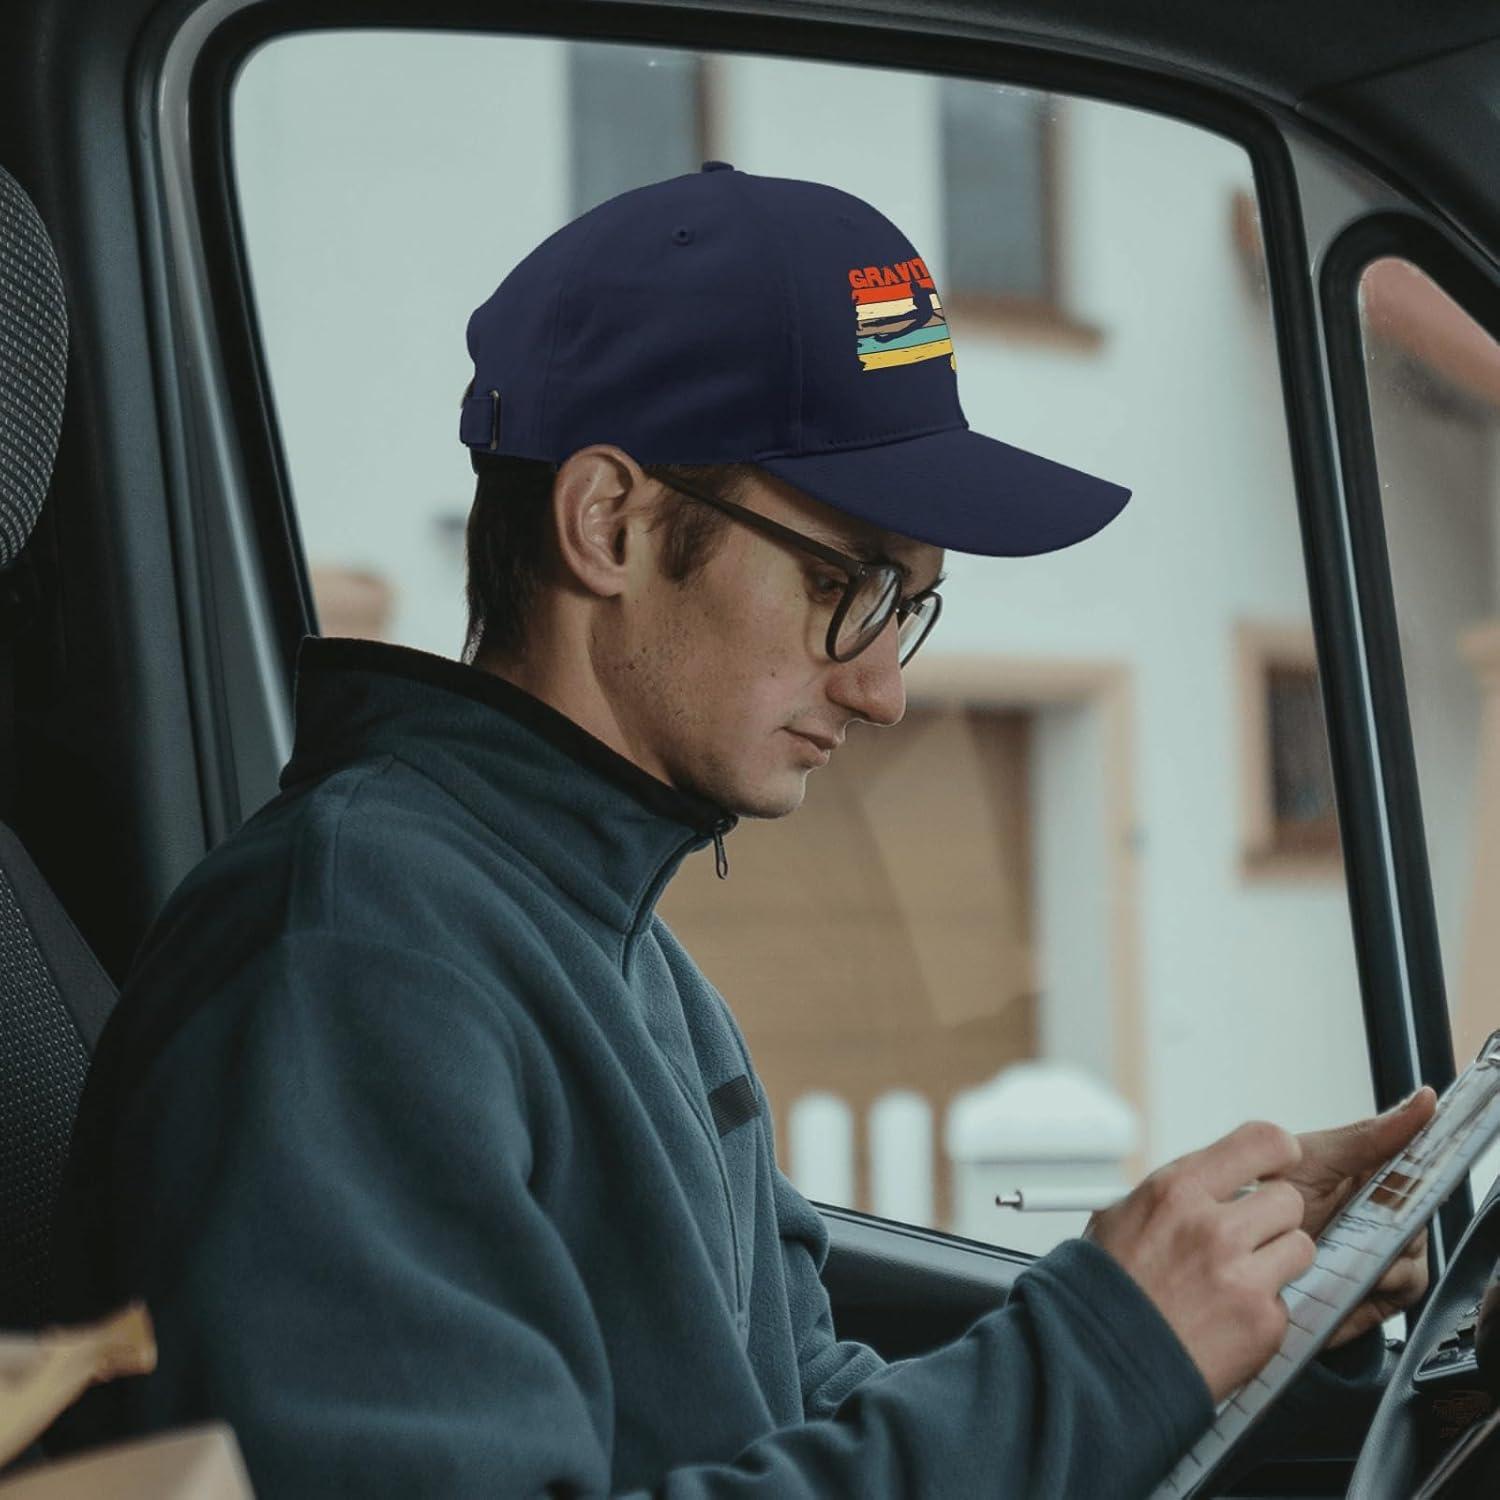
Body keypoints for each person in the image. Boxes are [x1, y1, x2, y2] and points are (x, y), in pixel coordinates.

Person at [49, 162, 1434, 1496]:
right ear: (609, 521)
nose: (885, 687)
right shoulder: (355, 959)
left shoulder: (621, 960)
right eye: (848, 582)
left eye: (909, 608)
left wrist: (1240, 1313)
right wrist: (1104, 1350)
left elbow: (792, 1421)